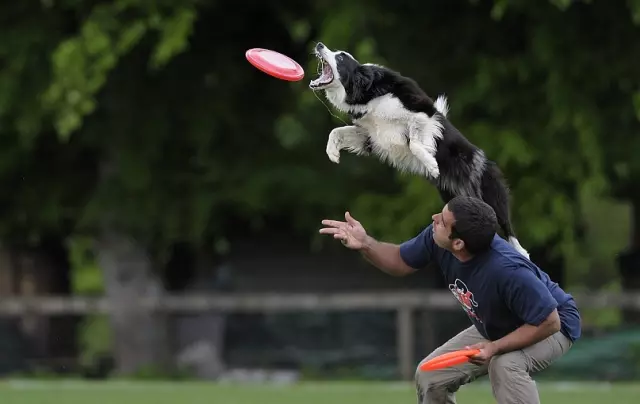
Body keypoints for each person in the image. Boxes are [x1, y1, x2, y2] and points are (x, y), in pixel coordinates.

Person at [319, 196, 581, 404]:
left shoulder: (507, 270)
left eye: (442, 220)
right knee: (431, 375)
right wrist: (365, 243)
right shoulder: (440, 238)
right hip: (503, 323)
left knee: (505, 365)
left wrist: (495, 347)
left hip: (551, 323)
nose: (434, 219)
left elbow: (549, 321)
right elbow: (399, 261)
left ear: (458, 244)